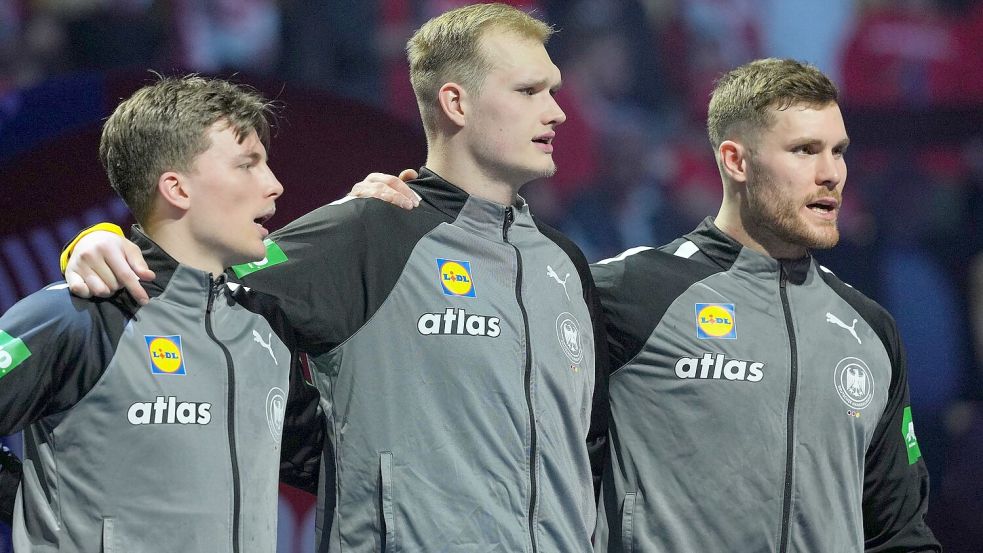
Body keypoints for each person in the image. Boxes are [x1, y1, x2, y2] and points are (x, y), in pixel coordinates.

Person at [58, 4, 609, 552]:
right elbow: (191, 282)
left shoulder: (564, 264)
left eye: (554, 91)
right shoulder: (369, 230)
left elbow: (591, 452)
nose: (558, 112)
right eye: (529, 91)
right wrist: (98, 243)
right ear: (456, 102)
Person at [589, 58, 939, 551]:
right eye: (804, 150)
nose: (831, 174)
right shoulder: (628, 292)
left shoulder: (870, 330)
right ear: (736, 161)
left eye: (838, 151)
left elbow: (899, 533)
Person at [0, 75, 323, 551]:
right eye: (248, 165)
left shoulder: (264, 325)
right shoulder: (77, 315)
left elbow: (330, 459)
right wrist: (33, 509)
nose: (274, 185)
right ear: (177, 188)